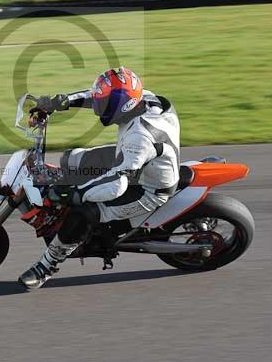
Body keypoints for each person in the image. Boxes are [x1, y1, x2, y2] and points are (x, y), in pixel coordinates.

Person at [18, 66, 181, 290]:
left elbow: (116, 184)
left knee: (83, 211)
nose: (97, 106)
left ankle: (48, 265)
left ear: (121, 107)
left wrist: (76, 193)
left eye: (103, 104)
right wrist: (62, 102)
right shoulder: (146, 100)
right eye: (100, 101)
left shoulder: (140, 138)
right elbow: (96, 95)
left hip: (145, 188)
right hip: (133, 161)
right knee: (70, 160)